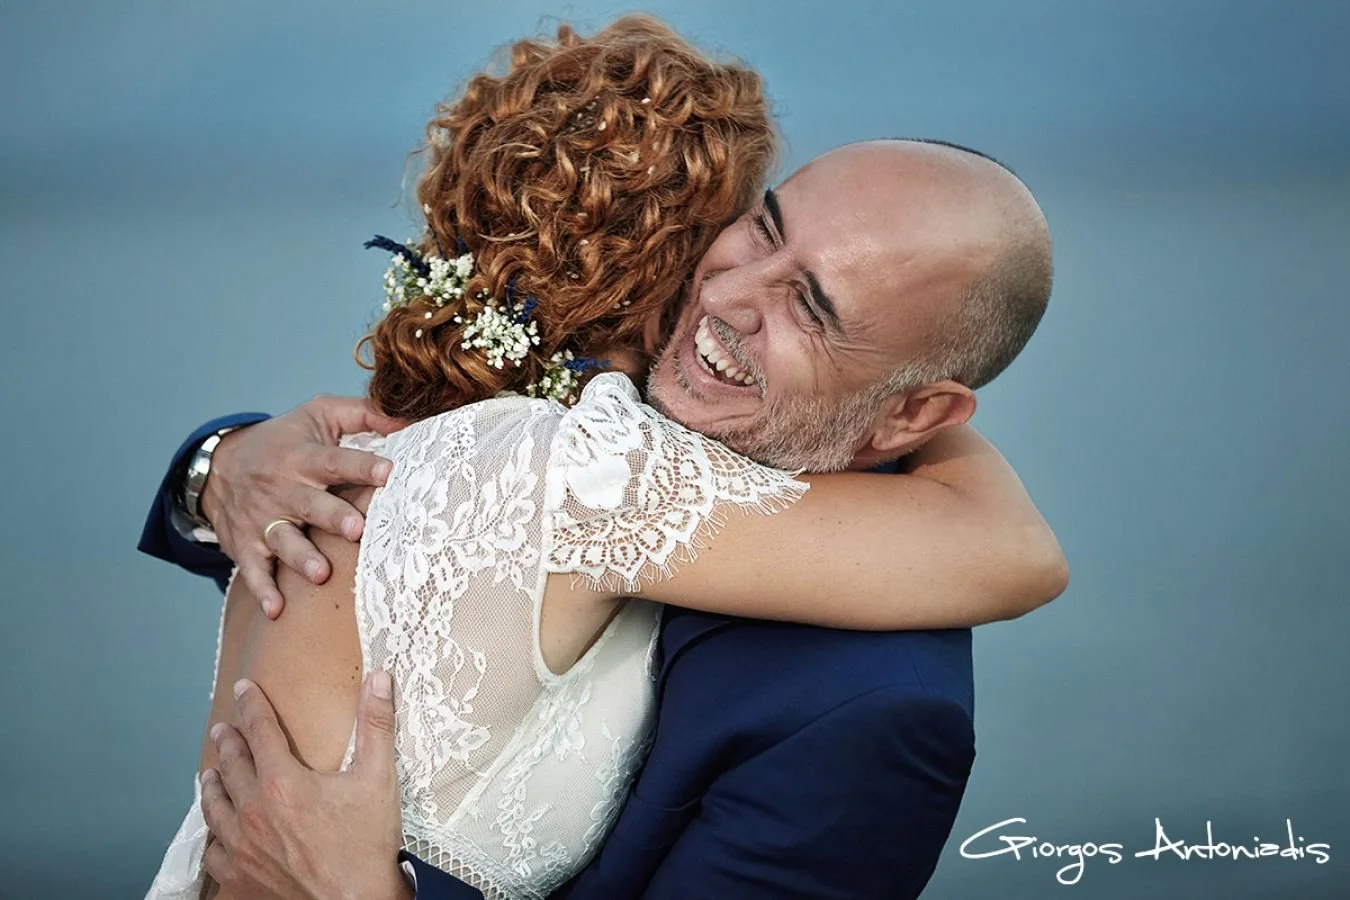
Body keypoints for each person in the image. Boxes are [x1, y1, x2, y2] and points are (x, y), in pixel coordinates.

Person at [140, 20, 1067, 900]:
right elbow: (1019, 551)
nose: (729, 291)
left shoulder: (877, 711)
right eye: (762, 227)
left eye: (811, 308)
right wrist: (217, 468)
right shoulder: (575, 461)